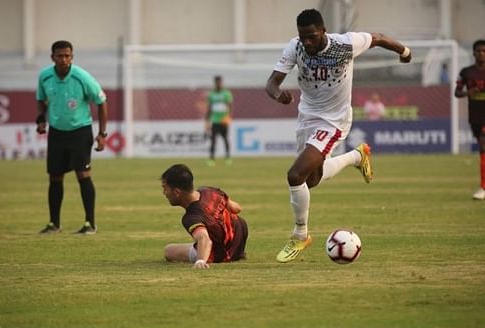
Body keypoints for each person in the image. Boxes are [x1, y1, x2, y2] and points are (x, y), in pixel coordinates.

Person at [265, 9, 412, 263]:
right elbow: (271, 83)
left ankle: (300, 236)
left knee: (295, 175)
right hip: (307, 117)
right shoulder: (295, 47)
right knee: (310, 181)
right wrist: (278, 94)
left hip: (334, 121)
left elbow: (377, 38)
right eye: (303, 37)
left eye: (311, 36)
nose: (307, 43)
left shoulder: (345, 44)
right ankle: (357, 156)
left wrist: (404, 52)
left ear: (323, 30)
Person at [36, 40, 108, 234]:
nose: (64, 59)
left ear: (72, 57)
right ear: (53, 57)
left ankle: (90, 224)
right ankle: (54, 224)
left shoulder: (82, 77)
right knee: (55, 177)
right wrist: (41, 120)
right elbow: (41, 99)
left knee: (83, 175)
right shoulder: (44, 77)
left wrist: (102, 134)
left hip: (80, 131)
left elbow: (101, 101)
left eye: (68, 55)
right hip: (57, 132)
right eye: (60, 56)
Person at [161, 164, 249, 269]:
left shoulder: (191, 217)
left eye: (165, 188)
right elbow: (236, 209)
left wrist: (200, 260)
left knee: (169, 250)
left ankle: (208, 253)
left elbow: (204, 238)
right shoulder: (210, 191)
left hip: (222, 253)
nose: (164, 193)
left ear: (176, 192)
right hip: (239, 242)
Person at [454, 39, 485, 200]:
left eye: (484, 51)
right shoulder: (466, 72)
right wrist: (468, 92)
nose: (481, 54)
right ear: (473, 53)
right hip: (475, 116)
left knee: (483, 145)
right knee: (482, 148)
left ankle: (483, 187)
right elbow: (457, 92)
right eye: (479, 51)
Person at [205, 75, 233, 166]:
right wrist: (207, 121)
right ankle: (211, 159)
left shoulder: (226, 93)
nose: (219, 84)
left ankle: (228, 157)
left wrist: (228, 117)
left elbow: (229, 106)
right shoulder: (211, 94)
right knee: (213, 140)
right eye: (217, 82)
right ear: (215, 83)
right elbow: (209, 108)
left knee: (225, 139)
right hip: (214, 120)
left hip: (223, 120)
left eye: (220, 82)